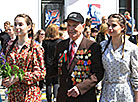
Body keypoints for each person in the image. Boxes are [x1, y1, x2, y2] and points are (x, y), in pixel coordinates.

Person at [47, 12, 104, 102]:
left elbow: (98, 73)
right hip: (64, 97)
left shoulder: (92, 46)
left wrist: (80, 88)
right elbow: (54, 68)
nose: (71, 29)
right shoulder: (61, 45)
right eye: (69, 25)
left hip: (84, 97)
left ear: (83, 26)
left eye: (75, 25)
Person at [2, 14, 46, 101]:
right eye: (15, 24)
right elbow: (8, 68)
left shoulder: (35, 47)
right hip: (13, 95)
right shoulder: (10, 47)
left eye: (20, 24)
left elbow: (41, 73)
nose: (17, 27)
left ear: (29, 27)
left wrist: (19, 77)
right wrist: (6, 79)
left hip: (29, 94)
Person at [100, 13, 138, 102]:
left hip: (124, 92)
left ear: (122, 27)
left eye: (114, 25)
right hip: (107, 91)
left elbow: (136, 77)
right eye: (108, 25)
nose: (110, 28)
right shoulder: (102, 46)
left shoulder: (132, 48)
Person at [42, 24, 61, 102]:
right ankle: (56, 98)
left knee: (48, 83)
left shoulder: (45, 42)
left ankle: (49, 99)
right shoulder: (59, 42)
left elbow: (43, 54)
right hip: (56, 64)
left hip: (47, 64)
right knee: (56, 82)